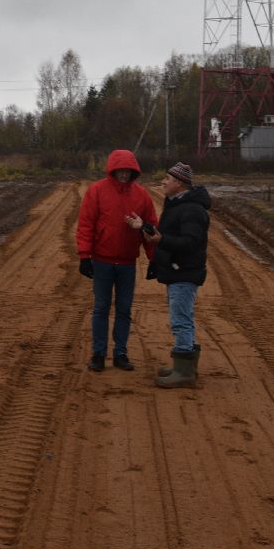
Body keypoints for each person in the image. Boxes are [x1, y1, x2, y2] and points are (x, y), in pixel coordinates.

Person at [76, 149, 159, 372]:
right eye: (120, 170)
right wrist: (84, 256)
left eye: (128, 171)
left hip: (127, 264)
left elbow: (151, 228)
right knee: (101, 308)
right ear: (112, 170)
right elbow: (86, 225)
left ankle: (120, 353)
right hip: (102, 262)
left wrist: (154, 258)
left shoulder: (141, 195)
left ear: (134, 172)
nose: (124, 174)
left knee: (124, 309)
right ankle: (98, 353)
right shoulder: (97, 191)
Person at [136, 162, 211, 388]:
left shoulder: (192, 210)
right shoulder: (178, 205)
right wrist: (144, 227)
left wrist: (162, 240)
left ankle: (184, 371)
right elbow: (172, 234)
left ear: (179, 183)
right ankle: (186, 366)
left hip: (184, 271)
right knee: (183, 317)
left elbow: (191, 242)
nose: (163, 182)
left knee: (180, 320)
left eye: (167, 179)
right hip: (178, 270)